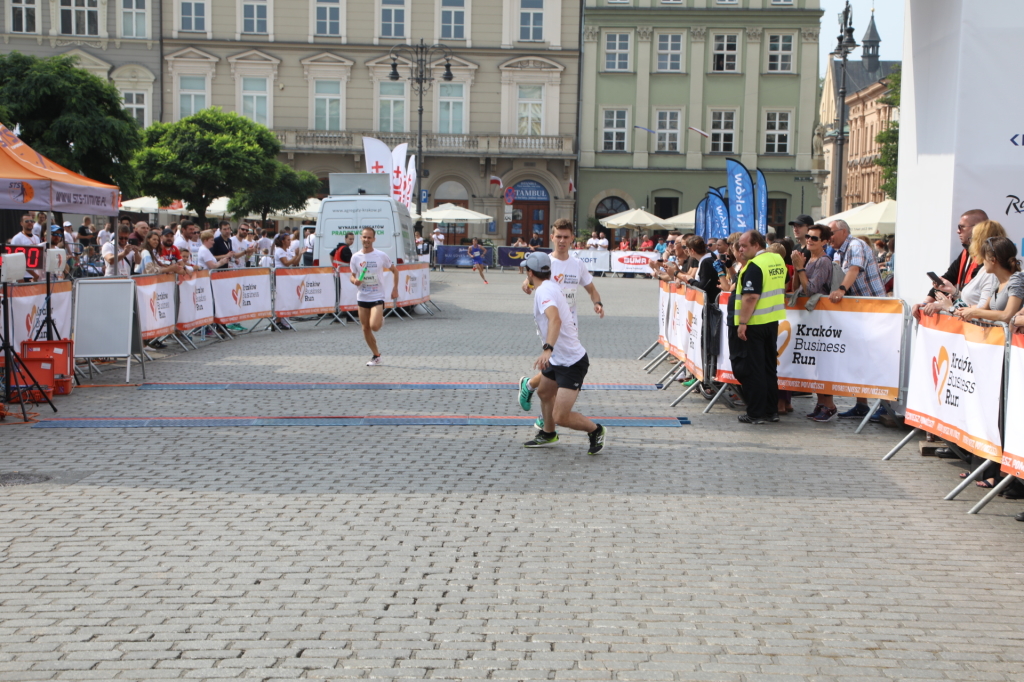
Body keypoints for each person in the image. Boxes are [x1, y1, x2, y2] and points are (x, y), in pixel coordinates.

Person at [518, 219, 604, 430]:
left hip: (570, 326)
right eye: (558, 236)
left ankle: (530, 387)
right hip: (552, 326)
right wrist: (527, 286)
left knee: (560, 365)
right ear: (552, 237)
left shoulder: (577, 264)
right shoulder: (545, 262)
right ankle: (545, 413)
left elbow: (591, 289)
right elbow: (528, 282)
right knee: (557, 367)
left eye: (566, 237)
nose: (562, 241)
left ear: (572, 239)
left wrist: (597, 303)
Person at [954, 236, 1024, 489]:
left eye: (984, 257)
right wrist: (966, 310)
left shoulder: (1017, 280)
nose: (980, 261)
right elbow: (985, 308)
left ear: (993, 260)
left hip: (1011, 356)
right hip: (996, 356)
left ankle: (1006, 475)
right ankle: (993, 469)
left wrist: (974, 312)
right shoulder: (996, 281)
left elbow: (1007, 315)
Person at [828, 218, 887, 419]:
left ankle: (886, 406)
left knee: (878, 358)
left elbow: (854, 269)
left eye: (832, 233)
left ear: (843, 231)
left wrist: (841, 289)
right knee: (861, 358)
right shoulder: (839, 251)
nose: (829, 237)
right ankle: (861, 404)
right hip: (862, 312)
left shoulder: (855, 245)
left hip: (875, 310)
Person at [731, 230, 787, 424]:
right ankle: (771, 411)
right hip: (772, 321)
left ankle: (755, 413)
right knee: (769, 369)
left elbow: (750, 297)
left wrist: (742, 323)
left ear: (756, 245)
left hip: (754, 323)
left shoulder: (754, 265)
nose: (740, 249)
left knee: (754, 370)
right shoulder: (777, 260)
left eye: (744, 245)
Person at [791, 224, 840, 421]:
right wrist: (797, 268)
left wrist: (801, 268)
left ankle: (829, 404)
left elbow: (811, 289)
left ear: (825, 242)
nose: (810, 240)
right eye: (809, 237)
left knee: (823, 361)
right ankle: (821, 402)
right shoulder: (809, 259)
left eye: (815, 238)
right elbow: (796, 287)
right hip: (811, 317)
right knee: (815, 363)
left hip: (822, 316)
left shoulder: (823, 261)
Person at [914, 209, 988, 318]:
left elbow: (978, 301)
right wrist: (925, 303)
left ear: (977, 228)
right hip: (967, 315)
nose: (958, 231)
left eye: (961, 227)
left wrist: (947, 304)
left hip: (977, 319)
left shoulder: (988, 257)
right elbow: (948, 278)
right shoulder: (966, 253)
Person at [349, 227, 399, 366]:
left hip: (377, 295)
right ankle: (376, 355)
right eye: (364, 237)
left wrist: (395, 289)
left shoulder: (380, 255)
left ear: (374, 239)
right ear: (361, 238)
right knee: (365, 328)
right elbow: (352, 276)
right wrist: (355, 281)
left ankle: (379, 318)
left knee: (374, 326)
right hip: (362, 296)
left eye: (369, 237)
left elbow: (395, 271)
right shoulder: (355, 257)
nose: (366, 240)